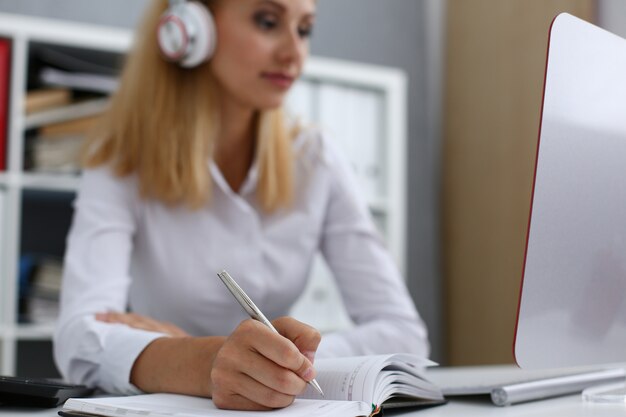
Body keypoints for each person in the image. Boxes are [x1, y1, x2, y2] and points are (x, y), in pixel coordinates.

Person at [53, 0, 429, 411]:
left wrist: (274, 358)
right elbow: (78, 338)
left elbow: (404, 335)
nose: (293, 52)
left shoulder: (315, 158)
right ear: (189, 28)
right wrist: (208, 360)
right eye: (268, 22)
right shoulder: (120, 158)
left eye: (304, 30)